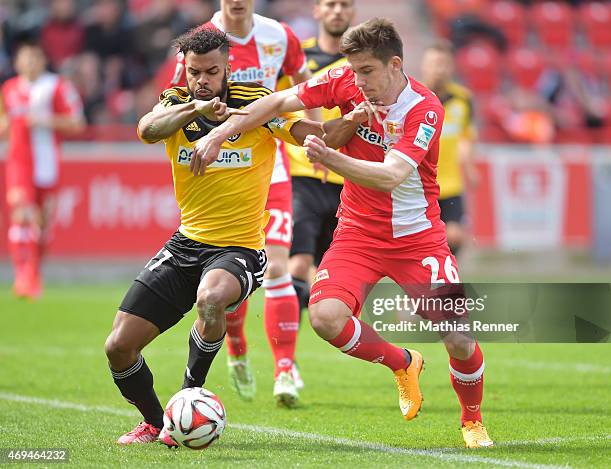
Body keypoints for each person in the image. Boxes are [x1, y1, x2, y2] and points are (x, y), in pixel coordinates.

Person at [192, 18, 494, 449]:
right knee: (325, 318)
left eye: (366, 71)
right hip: (358, 236)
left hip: (417, 239)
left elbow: (391, 176)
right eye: (353, 70)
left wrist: (330, 159)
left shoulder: (425, 108)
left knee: (459, 338)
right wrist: (222, 132)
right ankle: (403, 363)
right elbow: (278, 101)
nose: (358, 80)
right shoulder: (344, 80)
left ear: (394, 65)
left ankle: (472, 419)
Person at [103, 27, 356, 446]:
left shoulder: (254, 103)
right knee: (118, 347)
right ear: (183, 68)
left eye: (211, 72)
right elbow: (147, 130)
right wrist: (192, 110)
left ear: (228, 69)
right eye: (194, 71)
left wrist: (349, 122)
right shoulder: (174, 103)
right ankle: (156, 423)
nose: (202, 80)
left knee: (211, 298)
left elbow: (312, 133)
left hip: (239, 248)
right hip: (185, 244)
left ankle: (189, 394)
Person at [167, 0, 314, 404]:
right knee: (226, 287)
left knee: (281, 266)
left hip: (272, 166)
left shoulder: (280, 36)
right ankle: (235, 348)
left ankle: (285, 369)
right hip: (221, 167)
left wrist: (312, 141)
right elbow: (172, 102)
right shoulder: (199, 43)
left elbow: (305, 89)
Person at [286, 0, 355, 318]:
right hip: (303, 175)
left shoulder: (361, 62)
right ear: (317, 11)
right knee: (297, 262)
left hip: (348, 178)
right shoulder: (298, 58)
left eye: (345, 4)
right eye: (331, 4)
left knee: (336, 275)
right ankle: (285, 362)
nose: (338, 10)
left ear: (353, 12)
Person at [0, 41, 84, 300]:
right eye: (24, 58)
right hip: (18, 162)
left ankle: (34, 274)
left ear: (42, 61)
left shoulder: (57, 86)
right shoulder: (9, 88)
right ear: (17, 63)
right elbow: (4, 122)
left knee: (42, 224)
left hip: (47, 163)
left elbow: (77, 123)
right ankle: (23, 276)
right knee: (21, 214)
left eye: (34, 58)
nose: (29, 63)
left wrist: (45, 120)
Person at [421, 39, 478, 255]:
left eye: (443, 64)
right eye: (434, 63)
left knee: (454, 235)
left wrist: (469, 165)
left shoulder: (463, 99)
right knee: (422, 241)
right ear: (424, 66)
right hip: (420, 184)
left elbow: (466, 136)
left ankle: (445, 278)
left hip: (451, 182)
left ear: (451, 66)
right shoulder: (412, 96)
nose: (439, 69)